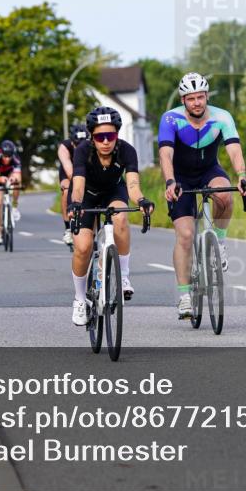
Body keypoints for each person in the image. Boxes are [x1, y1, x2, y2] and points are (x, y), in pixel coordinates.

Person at [159, 72, 246, 319]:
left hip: (209, 170)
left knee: (225, 195)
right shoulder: (170, 119)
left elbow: (234, 149)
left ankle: (219, 243)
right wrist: (170, 181)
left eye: (200, 97)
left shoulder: (222, 117)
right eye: (191, 99)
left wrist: (242, 176)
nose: (197, 103)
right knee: (185, 235)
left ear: (207, 96)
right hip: (180, 177)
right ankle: (184, 296)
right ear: (183, 100)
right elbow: (166, 154)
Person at [67, 106, 154, 326]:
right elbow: (78, 185)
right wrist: (76, 204)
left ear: (117, 135)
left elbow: (132, 185)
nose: (106, 141)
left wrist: (142, 200)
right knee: (83, 247)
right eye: (100, 137)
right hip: (85, 195)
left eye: (111, 136)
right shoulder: (83, 151)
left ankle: (123, 276)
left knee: (120, 218)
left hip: (113, 191)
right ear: (92, 137)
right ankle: (80, 299)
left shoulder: (127, 151)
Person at [57, 122, 89, 247]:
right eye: (77, 145)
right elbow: (70, 173)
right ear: (72, 142)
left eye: (83, 144)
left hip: (85, 169)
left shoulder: (91, 145)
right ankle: (68, 228)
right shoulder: (64, 148)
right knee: (66, 190)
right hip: (69, 171)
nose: (80, 148)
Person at [0, 139, 22, 245]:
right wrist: (0, 179)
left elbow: (18, 176)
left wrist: (14, 179)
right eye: (5, 156)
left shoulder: (16, 158)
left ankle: (15, 206)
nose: (7, 159)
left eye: (9, 156)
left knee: (17, 184)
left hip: (10, 173)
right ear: (2, 153)